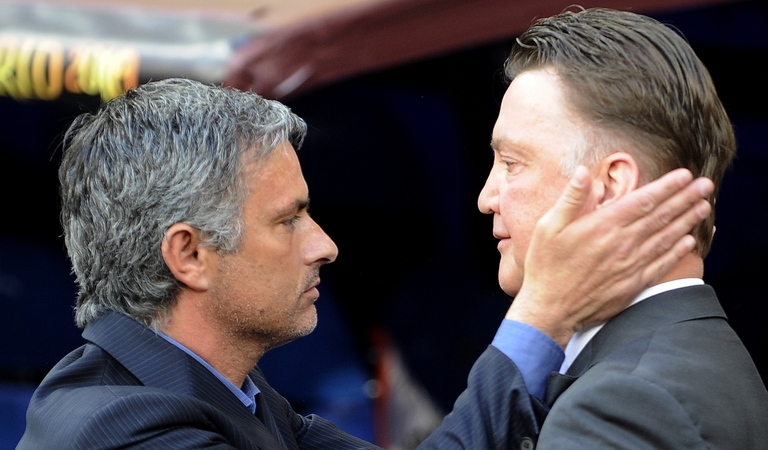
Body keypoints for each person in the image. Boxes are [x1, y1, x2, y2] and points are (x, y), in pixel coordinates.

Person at [17, 77, 712, 449]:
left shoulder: (229, 397)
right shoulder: (124, 430)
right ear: (189, 255)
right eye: (288, 220)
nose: (324, 245)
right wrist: (543, 314)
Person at [464, 7, 768, 449]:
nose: (487, 198)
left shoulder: (619, 404)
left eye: (512, 163)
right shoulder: (689, 358)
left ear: (611, 185)